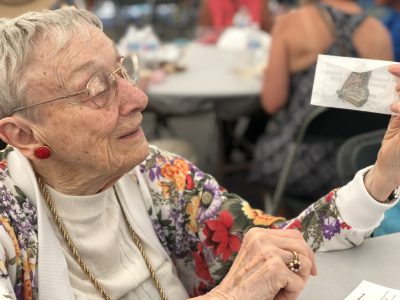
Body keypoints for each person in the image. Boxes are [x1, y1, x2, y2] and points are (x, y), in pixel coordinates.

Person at [0, 7, 399, 300]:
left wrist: (381, 178)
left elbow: (280, 243)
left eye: (122, 71)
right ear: (22, 133)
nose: (139, 98)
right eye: (97, 88)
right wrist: (228, 296)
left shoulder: (156, 175)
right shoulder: (9, 229)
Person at [251, 0, 393, 200]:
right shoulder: (379, 33)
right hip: (359, 171)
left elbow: (271, 103)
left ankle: (281, 215)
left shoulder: (291, 22)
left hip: (295, 166)